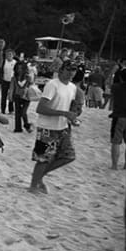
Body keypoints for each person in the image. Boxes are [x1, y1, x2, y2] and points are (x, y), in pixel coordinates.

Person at [28, 60, 81, 193]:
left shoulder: (72, 87)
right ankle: (34, 185)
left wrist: (72, 116)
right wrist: (63, 113)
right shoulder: (52, 85)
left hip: (63, 127)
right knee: (43, 159)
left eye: (73, 70)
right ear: (61, 70)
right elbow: (40, 108)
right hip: (47, 128)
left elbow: (69, 107)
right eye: (68, 70)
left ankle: (39, 178)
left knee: (68, 156)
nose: (71, 73)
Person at [109, 70, 126, 169]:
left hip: (119, 116)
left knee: (116, 142)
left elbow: (109, 85)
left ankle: (114, 165)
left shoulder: (116, 87)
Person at [10, 61, 34, 133]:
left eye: (21, 68)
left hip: (26, 97)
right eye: (18, 68)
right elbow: (11, 88)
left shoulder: (28, 78)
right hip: (17, 97)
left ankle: (26, 125)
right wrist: (10, 96)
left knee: (23, 112)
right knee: (17, 113)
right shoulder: (14, 78)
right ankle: (18, 128)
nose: (19, 70)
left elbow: (31, 86)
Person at [0, 49, 17, 113]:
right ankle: (3, 110)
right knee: (3, 96)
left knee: (11, 95)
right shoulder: (4, 62)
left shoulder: (15, 62)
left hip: (12, 81)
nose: (9, 55)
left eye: (10, 54)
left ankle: (11, 109)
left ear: (13, 55)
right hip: (4, 81)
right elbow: (0, 71)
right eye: (7, 54)